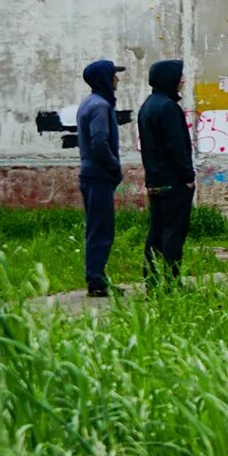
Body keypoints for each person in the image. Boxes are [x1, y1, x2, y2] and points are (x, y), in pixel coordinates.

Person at [139, 59, 196, 287]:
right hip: (173, 181)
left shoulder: (148, 106)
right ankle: (173, 283)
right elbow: (176, 147)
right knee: (174, 232)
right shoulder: (169, 108)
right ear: (168, 79)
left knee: (156, 232)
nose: (182, 80)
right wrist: (188, 176)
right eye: (179, 76)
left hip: (155, 179)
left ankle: (151, 281)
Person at [75, 59, 126, 297]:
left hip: (91, 173)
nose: (117, 79)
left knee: (96, 227)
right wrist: (114, 166)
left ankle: (97, 278)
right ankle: (96, 281)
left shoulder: (89, 103)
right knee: (101, 229)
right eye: (113, 75)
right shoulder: (101, 106)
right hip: (98, 174)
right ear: (104, 78)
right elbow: (99, 142)